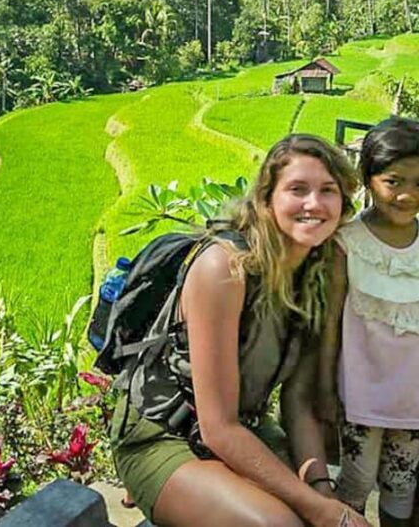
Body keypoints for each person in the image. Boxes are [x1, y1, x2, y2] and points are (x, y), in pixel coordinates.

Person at [110, 133, 370, 527]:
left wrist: (320, 491)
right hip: (164, 435)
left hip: (245, 428)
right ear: (266, 201)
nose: (313, 204)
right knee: (279, 525)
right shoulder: (225, 269)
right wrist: (323, 512)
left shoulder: (322, 270)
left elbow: (298, 402)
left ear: (343, 203)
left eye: (328, 191)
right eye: (297, 190)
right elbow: (218, 429)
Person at [320, 117, 419, 527]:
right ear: (367, 178)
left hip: (413, 400)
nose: (407, 195)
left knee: (402, 489)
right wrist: (325, 389)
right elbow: (330, 323)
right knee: (355, 487)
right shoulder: (348, 242)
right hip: (359, 399)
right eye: (394, 182)